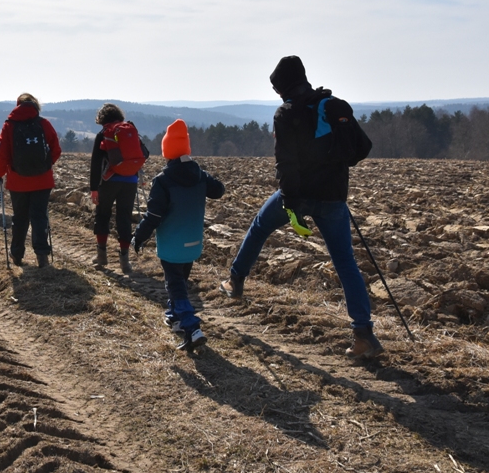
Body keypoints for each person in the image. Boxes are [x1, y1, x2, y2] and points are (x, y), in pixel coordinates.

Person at [220, 55, 383, 359]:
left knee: (259, 227)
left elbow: (286, 162)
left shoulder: (286, 113)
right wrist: (333, 167)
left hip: (298, 196)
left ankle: (235, 281)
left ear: (282, 87)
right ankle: (364, 335)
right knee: (345, 262)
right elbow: (362, 148)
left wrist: (290, 202)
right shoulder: (333, 105)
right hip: (333, 197)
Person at [133, 120, 225, 352]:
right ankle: (174, 316)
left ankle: (191, 326)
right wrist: (202, 175)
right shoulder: (200, 175)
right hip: (193, 242)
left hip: (172, 244)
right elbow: (219, 190)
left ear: (167, 151)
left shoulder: (162, 181)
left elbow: (153, 216)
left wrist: (139, 237)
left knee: (175, 284)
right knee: (180, 280)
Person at [0, 94, 62, 268]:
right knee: (39, 216)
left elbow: (2, 153)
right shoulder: (44, 123)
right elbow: (56, 148)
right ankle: (42, 255)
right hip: (42, 180)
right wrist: (47, 165)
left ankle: (17, 254)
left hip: (18, 181)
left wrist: (0, 173)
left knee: (20, 218)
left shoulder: (9, 125)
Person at [89, 103, 146, 274]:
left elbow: (95, 163)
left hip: (109, 180)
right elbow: (143, 153)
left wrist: (94, 188)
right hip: (130, 180)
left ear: (102, 118)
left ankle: (101, 256)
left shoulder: (104, 133)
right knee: (124, 218)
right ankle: (125, 261)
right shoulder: (130, 130)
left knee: (103, 215)